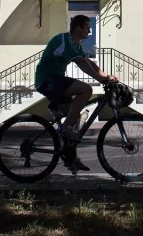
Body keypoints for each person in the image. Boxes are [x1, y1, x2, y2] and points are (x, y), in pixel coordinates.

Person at [34, 14, 117, 171]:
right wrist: (102, 80)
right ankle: (64, 127)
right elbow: (81, 64)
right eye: (87, 27)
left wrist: (107, 77)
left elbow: (89, 62)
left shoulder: (76, 44)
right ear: (77, 28)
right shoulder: (64, 40)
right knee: (86, 89)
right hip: (47, 80)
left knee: (75, 119)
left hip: (55, 81)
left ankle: (71, 158)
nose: (90, 31)